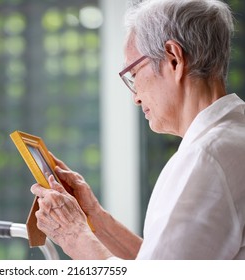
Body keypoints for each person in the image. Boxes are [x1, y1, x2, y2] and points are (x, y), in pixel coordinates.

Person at [30, 0, 245, 259]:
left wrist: (74, 235)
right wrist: (94, 218)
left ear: (174, 60)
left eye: (134, 74)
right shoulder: (233, 136)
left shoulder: (205, 159)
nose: (136, 97)